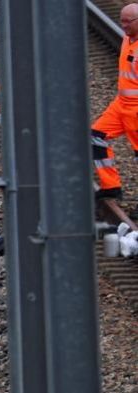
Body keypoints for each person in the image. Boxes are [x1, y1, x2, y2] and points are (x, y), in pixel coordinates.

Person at [88, 4, 138, 232]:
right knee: (96, 136)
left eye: (128, 21)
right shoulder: (129, 38)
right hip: (121, 106)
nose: (124, 26)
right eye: (122, 21)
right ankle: (111, 186)